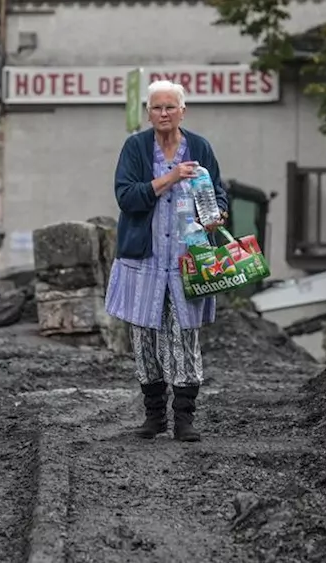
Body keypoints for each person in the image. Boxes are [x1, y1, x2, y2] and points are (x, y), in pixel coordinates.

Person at [104, 79, 228, 442]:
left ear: (182, 111)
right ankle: (154, 416)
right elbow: (126, 197)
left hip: (188, 259)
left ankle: (185, 418)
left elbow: (218, 191)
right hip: (145, 259)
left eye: (170, 107)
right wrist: (170, 178)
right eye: (156, 107)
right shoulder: (135, 148)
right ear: (148, 112)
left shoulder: (200, 147)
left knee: (184, 336)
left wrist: (217, 213)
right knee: (144, 336)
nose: (163, 113)